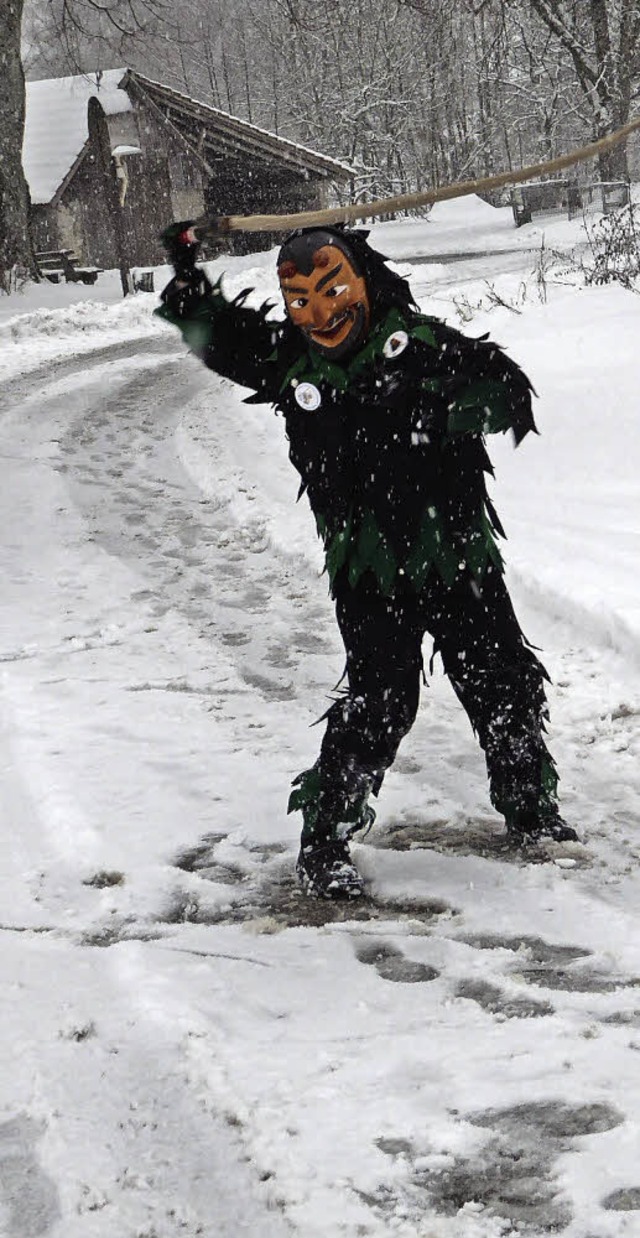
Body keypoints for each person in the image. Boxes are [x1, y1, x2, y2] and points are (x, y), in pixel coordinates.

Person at [156, 220, 577, 900]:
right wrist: (184, 270)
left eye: (331, 289)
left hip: (455, 558)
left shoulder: (426, 348)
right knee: (378, 702)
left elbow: (505, 392)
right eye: (299, 300)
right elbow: (218, 337)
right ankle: (325, 840)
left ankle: (532, 811)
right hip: (368, 572)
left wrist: (437, 410)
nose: (319, 313)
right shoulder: (294, 363)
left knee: (502, 682)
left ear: (364, 282)